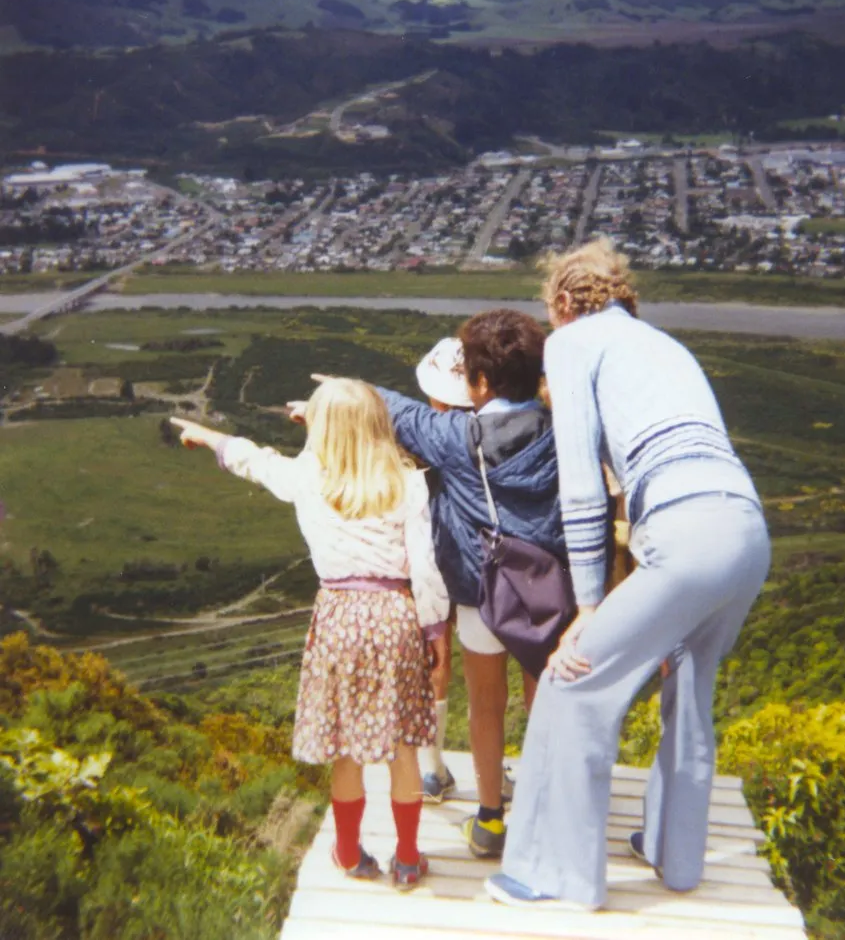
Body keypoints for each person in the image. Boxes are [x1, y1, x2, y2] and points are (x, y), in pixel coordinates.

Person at [486, 238, 771, 911]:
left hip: (684, 532)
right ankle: (676, 860)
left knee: (568, 684)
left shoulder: (574, 341)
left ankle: (556, 876)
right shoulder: (665, 346)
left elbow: (583, 488)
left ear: (563, 300)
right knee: (690, 690)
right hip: (747, 530)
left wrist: (587, 607)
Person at [170, 378, 449, 891]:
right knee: (403, 746)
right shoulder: (407, 484)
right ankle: (408, 858)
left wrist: (209, 438)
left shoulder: (306, 478)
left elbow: (254, 460)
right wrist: (436, 632)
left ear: (320, 431)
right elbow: (426, 569)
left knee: (346, 745)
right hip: (394, 615)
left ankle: (347, 851)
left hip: (339, 616)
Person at [315, 309, 565, 861]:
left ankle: (490, 820)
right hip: (546, 592)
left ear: (478, 383)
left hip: (481, 592)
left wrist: (346, 388)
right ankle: (548, 812)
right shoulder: (562, 428)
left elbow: (401, 415)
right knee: (541, 700)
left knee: (485, 702)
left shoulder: (461, 435)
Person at [412, 337, 474, 802]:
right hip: (482, 557)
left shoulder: (419, 434)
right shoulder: (491, 431)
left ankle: (432, 769)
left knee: (436, 658)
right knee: (485, 666)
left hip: (430, 557)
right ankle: (494, 767)